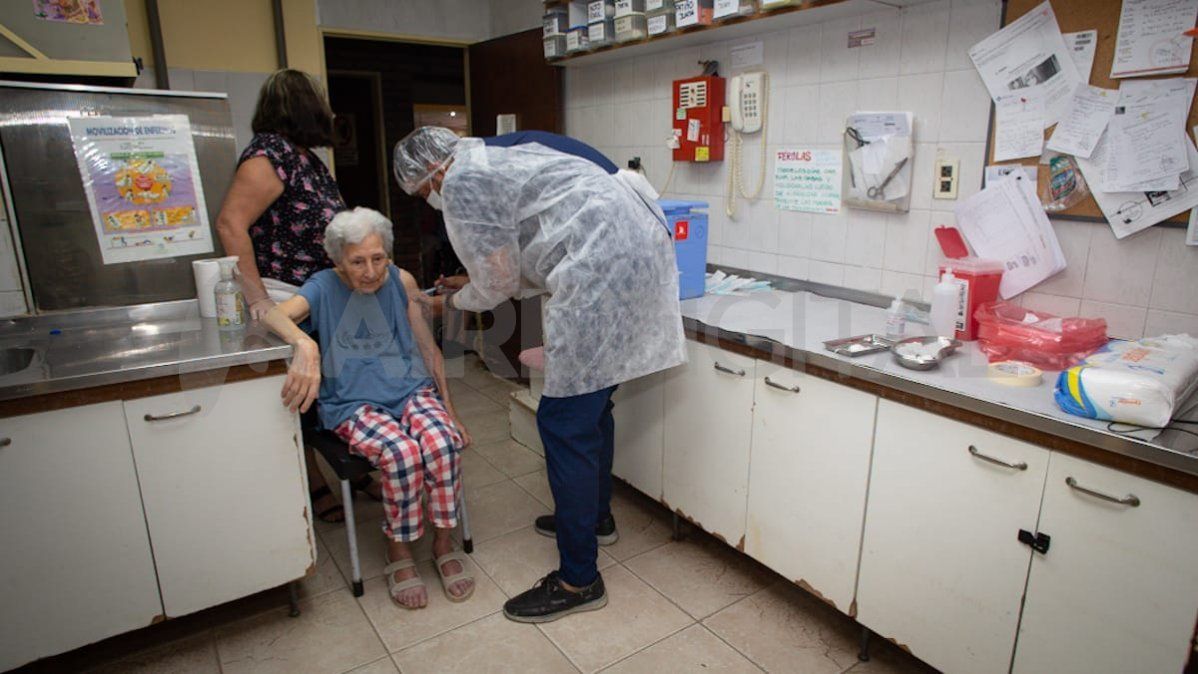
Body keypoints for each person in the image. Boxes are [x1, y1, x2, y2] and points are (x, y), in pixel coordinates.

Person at [393, 127, 686, 622]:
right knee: (593, 406)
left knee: (563, 422)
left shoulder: (464, 178)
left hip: (598, 274)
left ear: (433, 170)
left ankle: (578, 580)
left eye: (424, 192)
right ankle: (595, 521)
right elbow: (533, 241)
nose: (431, 201)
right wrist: (476, 280)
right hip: (635, 259)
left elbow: (500, 281)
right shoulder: (497, 158)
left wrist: (451, 302)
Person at [261, 207, 475, 609]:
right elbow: (273, 314)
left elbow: (428, 348)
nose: (371, 271)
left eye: (379, 258)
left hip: (410, 389)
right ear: (338, 260)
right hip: (353, 402)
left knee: (443, 443)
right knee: (402, 453)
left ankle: (443, 544)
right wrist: (305, 344)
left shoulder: (400, 280)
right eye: (358, 261)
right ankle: (399, 549)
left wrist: (450, 411)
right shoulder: (322, 287)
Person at [214, 68, 379, 522]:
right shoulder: (269, 155)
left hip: (324, 296)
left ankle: (350, 468)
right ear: (304, 106)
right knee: (300, 401)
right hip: (289, 297)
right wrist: (259, 300)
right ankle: (315, 483)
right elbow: (231, 224)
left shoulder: (307, 159)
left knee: (336, 387)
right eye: (319, 102)